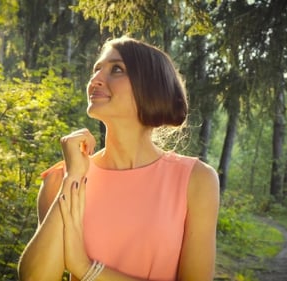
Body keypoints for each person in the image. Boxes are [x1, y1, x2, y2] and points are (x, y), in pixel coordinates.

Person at [18, 36, 220, 281]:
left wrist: (85, 269)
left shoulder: (196, 180)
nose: (95, 80)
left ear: (150, 86)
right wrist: (73, 177)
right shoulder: (62, 179)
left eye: (116, 69)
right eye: (96, 70)